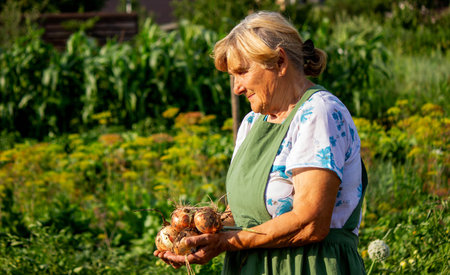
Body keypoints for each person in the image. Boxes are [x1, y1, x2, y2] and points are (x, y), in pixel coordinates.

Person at [154, 11, 367, 274]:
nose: (237, 88)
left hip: (308, 265)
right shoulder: (252, 123)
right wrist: (198, 236)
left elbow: (310, 223)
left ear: (279, 61)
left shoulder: (318, 113)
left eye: (242, 72)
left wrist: (227, 242)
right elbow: (242, 215)